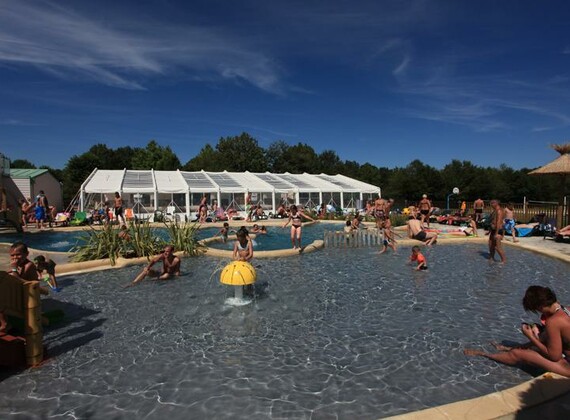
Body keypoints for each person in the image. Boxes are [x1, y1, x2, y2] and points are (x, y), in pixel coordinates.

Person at [464, 286, 570, 377]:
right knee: (543, 336)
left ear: (540, 307)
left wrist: (530, 336)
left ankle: (484, 354)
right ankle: (509, 348)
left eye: (536, 310)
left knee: (517, 354)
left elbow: (554, 356)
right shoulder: (566, 309)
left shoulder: (553, 321)